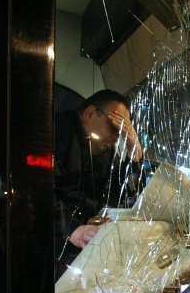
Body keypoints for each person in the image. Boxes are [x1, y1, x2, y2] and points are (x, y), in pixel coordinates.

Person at [54, 89, 143, 274]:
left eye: (123, 130)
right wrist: (72, 229)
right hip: (52, 247)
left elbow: (119, 193)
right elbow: (37, 189)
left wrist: (133, 156)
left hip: (86, 245)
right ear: (90, 113)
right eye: (114, 126)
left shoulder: (104, 151)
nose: (117, 136)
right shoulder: (55, 132)